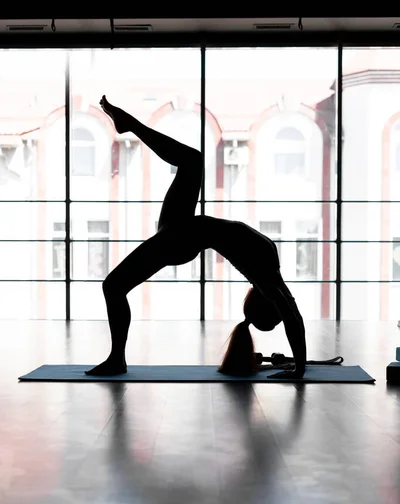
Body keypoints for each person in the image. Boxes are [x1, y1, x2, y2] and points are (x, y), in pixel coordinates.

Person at [85, 96, 306, 379]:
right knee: (192, 160)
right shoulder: (270, 271)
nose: (290, 299)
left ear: (265, 300)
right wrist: (300, 362)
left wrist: (299, 368)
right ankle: (129, 125)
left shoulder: (265, 276)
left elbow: (291, 315)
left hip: (182, 239)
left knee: (113, 286)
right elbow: (291, 311)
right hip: (184, 228)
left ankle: (117, 360)